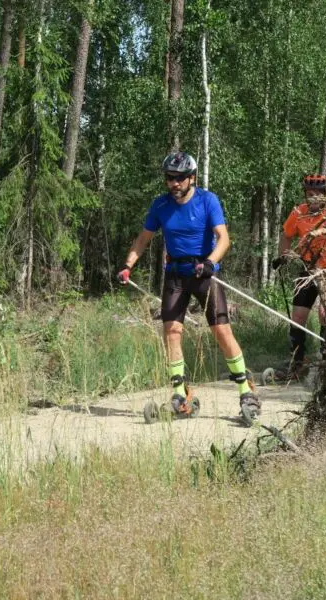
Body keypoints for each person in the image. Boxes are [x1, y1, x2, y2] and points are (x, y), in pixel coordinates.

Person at [117, 152, 261, 424]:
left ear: (191, 178)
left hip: (203, 273)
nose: (174, 183)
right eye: (170, 178)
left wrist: (209, 262)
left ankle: (245, 391)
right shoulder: (160, 206)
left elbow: (224, 239)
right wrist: (128, 266)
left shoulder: (208, 200)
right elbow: (142, 239)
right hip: (175, 275)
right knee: (171, 331)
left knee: (221, 331)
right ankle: (179, 394)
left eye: (180, 178)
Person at [272, 174, 326, 373]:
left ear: (325, 194)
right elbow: (286, 235)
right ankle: (298, 361)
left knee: (325, 315)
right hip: (307, 269)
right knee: (298, 315)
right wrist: (283, 256)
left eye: (317, 194)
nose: (313, 198)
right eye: (310, 194)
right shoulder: (299, 213)